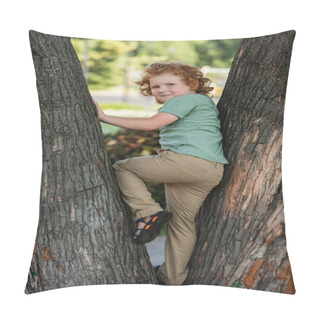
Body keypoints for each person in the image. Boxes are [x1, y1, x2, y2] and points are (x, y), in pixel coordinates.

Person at [93, 62, 228, 285]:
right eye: (155, 86)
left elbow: (152, 124)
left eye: (170, 84)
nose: (162, 89)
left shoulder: (188, 99)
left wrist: (104, 117)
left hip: (186, 162)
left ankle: (147, 213)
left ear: (192, 84)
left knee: (123, 167)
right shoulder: (200, 102)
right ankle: (172, 279)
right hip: (209, 169)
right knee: (182, 224)